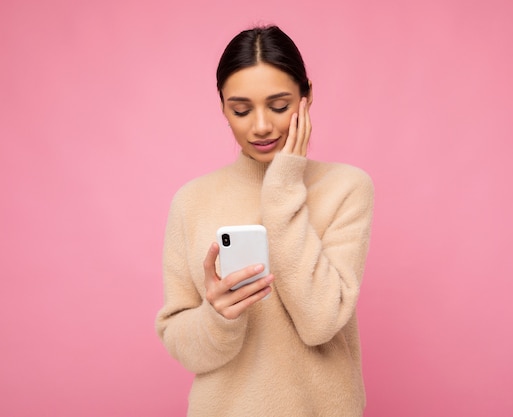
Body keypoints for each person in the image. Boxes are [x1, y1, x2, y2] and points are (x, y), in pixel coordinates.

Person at [155, 25, 374, 417]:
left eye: (278, 106)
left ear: (307, 98)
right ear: (222, 106)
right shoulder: (191, 201)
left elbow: (320, 322)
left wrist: (284, 184)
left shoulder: (346, 187)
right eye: (241, 109)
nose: (260, 126)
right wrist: (217, 317)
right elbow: (177, 337)